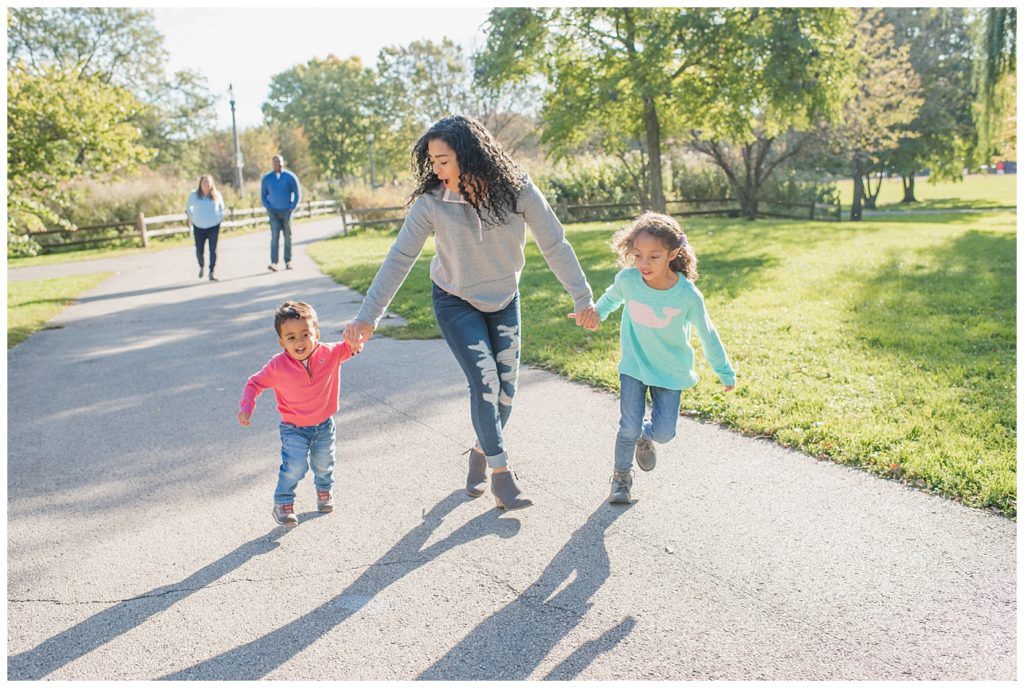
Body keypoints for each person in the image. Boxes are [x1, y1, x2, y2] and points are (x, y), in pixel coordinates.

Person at [342, 114, 598, 511]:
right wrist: (367, 316)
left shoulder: (518, 191)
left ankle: (482, 450)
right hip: (454, 299)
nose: (437, 169)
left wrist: (581, 297)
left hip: (504, 300)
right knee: (485, 384)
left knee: (507, 394)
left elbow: (555, 244)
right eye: (433, 161)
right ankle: (502, 475)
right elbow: (400, 257)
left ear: (470, 155)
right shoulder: (433, 203)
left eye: (444, 160)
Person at [578, 211, 736, 504]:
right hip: (634, 367)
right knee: (628, 425)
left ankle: (645, 435)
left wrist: (724, 371)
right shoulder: (629, 280)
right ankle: (621, 480)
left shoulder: (687, 295)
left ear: (673, 253)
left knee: (664, 433)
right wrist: (596, 314)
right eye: (638, 255)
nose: (643, 263)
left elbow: (708, 333)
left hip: (670, 372)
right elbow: (611, 299)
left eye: (653, 256)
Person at [238, 301, 354, 527]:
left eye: (305, 334)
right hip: (293, 428)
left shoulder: (330, 352)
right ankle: (283, 503)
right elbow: (254, 383)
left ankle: (324, 491)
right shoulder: (278, 366)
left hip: (323, 425)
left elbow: (351, 346)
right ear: (282, 342)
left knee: (324, 462)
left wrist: (357, 336)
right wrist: (246, 407)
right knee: (296, 466)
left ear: (316, 334)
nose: (299, 342)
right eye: (291, 337)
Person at [261, 154, 301, 272]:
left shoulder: (290, 177)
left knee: (288, 237)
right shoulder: (267, 178)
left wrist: (292, 207)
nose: (278, 163)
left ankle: (288, 261)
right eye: (275, 162)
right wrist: (268, 207)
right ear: (272, 163)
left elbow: (297, 193)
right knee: (274, 237)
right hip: (273, 212)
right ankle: (274, 262)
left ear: (283, 162)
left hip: (286, 211)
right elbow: (263, 195)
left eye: (279, 161)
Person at [185, 175, 224, 281]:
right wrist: (192, 218)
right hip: (198, 226)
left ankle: (212, 271)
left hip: (213, 225)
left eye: (208, 182)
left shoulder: (216, 195)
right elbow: (188, 208)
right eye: (204, 182)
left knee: (213, 249)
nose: (206, 184)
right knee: (199, 250)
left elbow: (222, 208)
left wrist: (220, 218)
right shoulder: (194, 195)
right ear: (200, 184)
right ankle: (201, 265)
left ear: (212, 184)